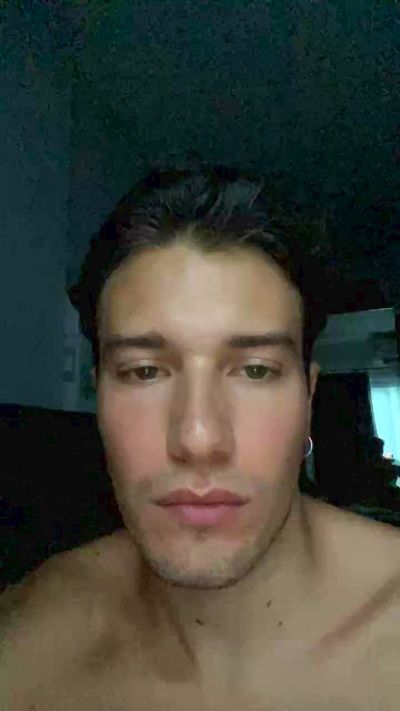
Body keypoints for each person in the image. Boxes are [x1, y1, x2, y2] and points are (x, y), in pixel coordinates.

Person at [1, 164, 399, 709]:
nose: (199, 439)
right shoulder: (27, 642)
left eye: (256, 370)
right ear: (99, 397)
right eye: (144, 371)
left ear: (308, 397)